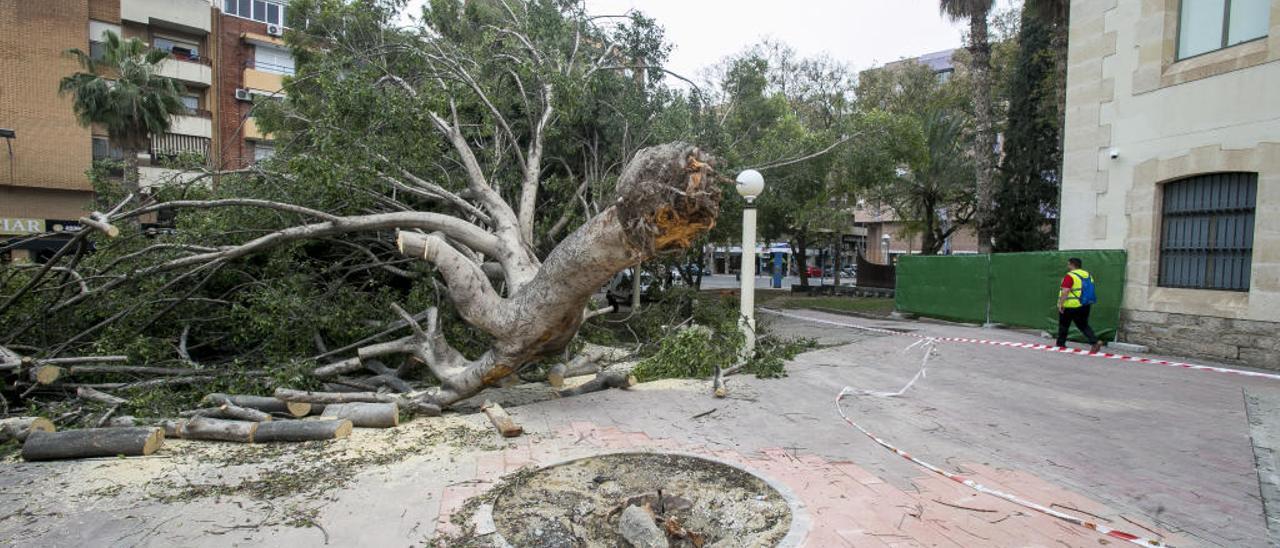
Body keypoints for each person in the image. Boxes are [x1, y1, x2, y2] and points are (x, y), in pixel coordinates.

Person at [1057, 257, 1103, 353]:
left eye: (1068, 264)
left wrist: (1061, 303)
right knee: (1083, 325)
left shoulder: (1070, 276)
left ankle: (1060, 344)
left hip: (1071, 305)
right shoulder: (1088, 275)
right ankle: (1095, 341)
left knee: (1064, 325)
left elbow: (1065, 291)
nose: (1067, 266)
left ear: (1072, 265)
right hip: (1085, 304)